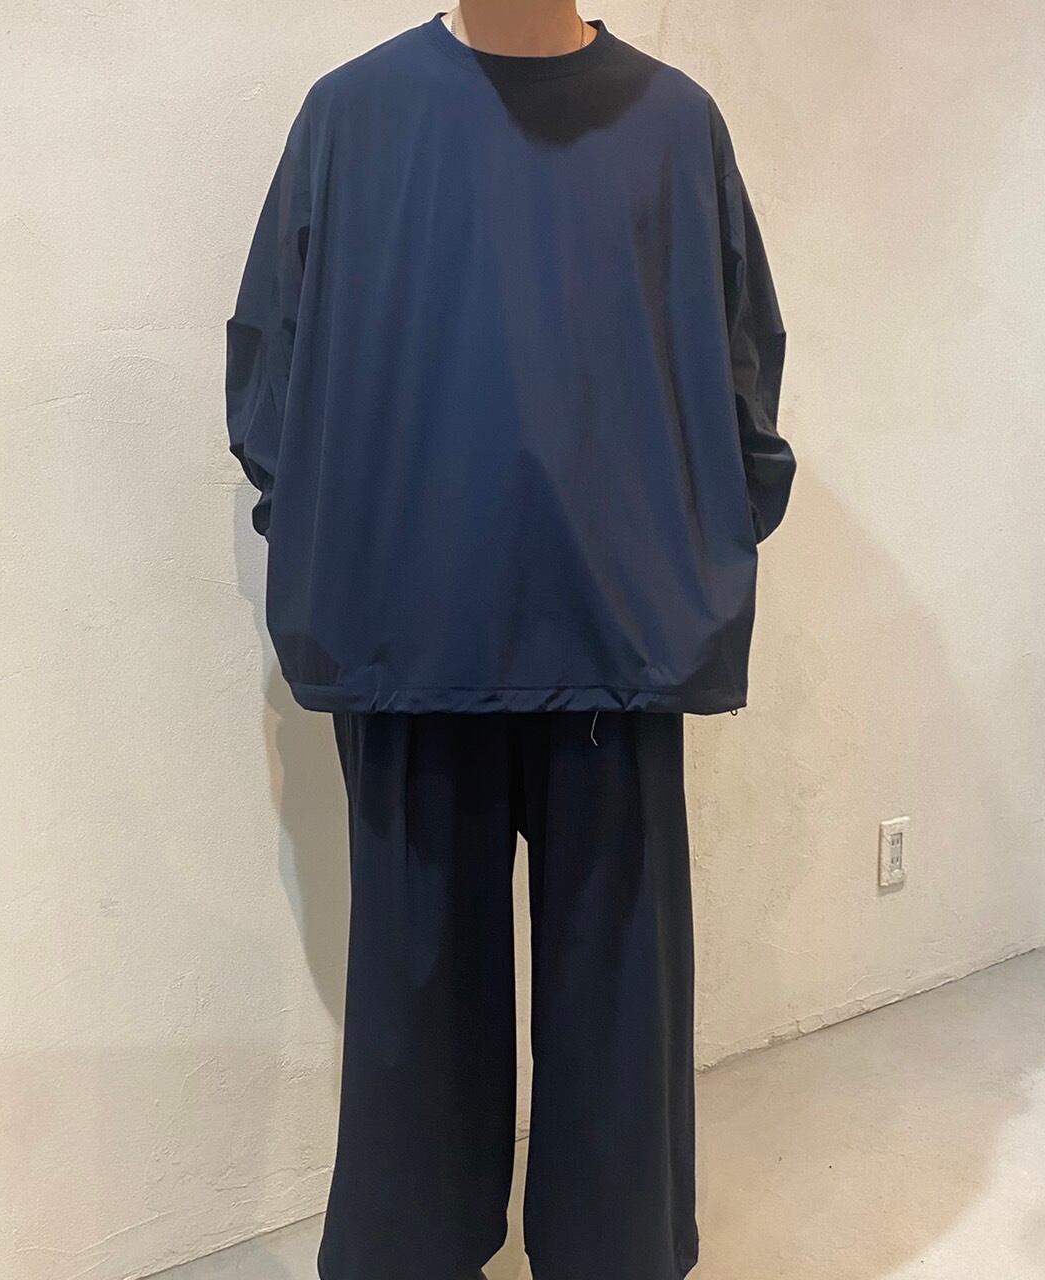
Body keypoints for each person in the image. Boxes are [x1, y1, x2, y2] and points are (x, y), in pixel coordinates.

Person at [224, 3, 795, 1277]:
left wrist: (361, 531)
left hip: (449, 628)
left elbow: (270, 396)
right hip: (581, 629)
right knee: (585, 1001)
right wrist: (681, 544)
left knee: (441, 1000)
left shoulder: (665, 125)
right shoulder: (356, 116)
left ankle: (465, 1251)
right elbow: (742, 398)